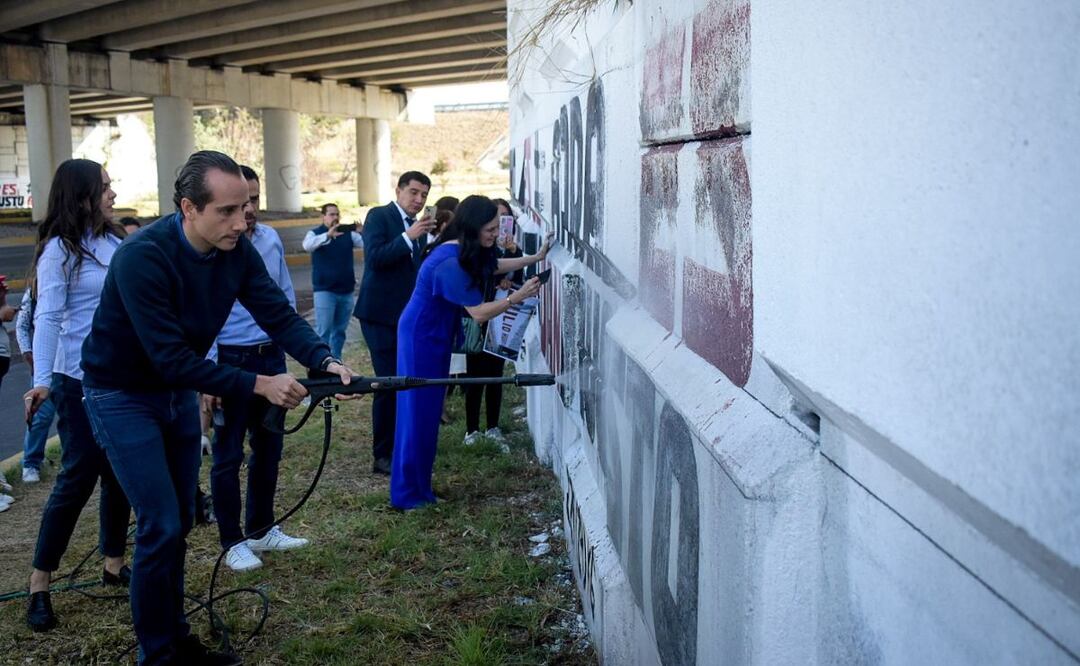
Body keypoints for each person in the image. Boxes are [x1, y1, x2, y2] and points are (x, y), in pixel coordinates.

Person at [63, 150, 355, 665]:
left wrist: (324, 360)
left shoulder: (236, 250)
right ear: (188, 208)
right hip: (121, 393)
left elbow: (277, 313)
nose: (241, 222)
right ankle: (157, 655)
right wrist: (259, 382)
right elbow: (171, 358)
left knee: (178, 518)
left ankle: (177, 640)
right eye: (226, 211)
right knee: (161, 523)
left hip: (172, 390)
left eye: (244, 208)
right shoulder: (142, 257)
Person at [21, 159, 132, 633]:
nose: (111, 194)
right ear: (82, 196)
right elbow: (47, 318)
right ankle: (39, 584)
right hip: (75, 380)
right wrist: (42, 378)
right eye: (104, 188)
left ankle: (112, 564)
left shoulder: (114, 242)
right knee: (77, 478)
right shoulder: (59, 253)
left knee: (119, 475)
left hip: (118, 376)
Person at [390, 195, 550, 510]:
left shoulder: (465, 250)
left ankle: (421, 489)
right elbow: (478, 313)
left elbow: (496, 265)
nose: (495, 234)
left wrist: (535, 257)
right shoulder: (449, 261)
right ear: (474, 227)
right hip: (421, 338)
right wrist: (517, 296)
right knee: (416, 414)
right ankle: (407, 495)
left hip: (435, 335)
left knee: (428, 412)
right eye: (490, 228)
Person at [206, 165, 309, 572]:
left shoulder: (268, 239)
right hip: (229, 359)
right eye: (240, 201)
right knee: (228, 454)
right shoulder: (216, 246)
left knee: (268, 449)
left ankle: (262, 528)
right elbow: (204, 313)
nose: (248, 209)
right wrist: (208, 368)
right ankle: (232, 541)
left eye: (254, 199)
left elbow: (281, 298)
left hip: (270, 355)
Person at [354, 171, 436, 476]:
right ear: (399, 190)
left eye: (424, 195)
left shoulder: (421, 228)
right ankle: (382, 455)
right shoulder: (380, 216)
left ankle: (401, 446)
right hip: (378, 315)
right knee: (387, 383)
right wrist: (408, 236)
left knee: (403, 381)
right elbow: (375, 258)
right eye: (413, 192)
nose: (418, 200)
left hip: (405, 318)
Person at [462, 198, 526, 446]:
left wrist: (513, 254)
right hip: (479, 316)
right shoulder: (476, 248)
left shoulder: (512, 249)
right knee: (474, 375)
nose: (498, 226)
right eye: (495, 220)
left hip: (500, 318)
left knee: (496, 374)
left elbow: (517, 276)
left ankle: (492, 426)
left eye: (505, 219)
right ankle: (471, 430)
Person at [302, 203, 363, 360]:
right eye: (331, 214)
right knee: (324, 331)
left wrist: (364, 232)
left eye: (337, 214)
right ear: (323, 217)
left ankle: (336, 361)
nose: (335, 217)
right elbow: (307, 245)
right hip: (324, 291)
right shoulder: (315, 234)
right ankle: (321, 362)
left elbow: (367, 244)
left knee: (340, 331)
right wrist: (327, 235)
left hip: (346, 291)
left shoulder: (348, 234)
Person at [15, 277, 58, 484]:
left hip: (72, 362)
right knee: (40, 416)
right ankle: (30, 463)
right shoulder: (35, 290)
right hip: (45, 363)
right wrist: (27, 352)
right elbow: (22, 325)